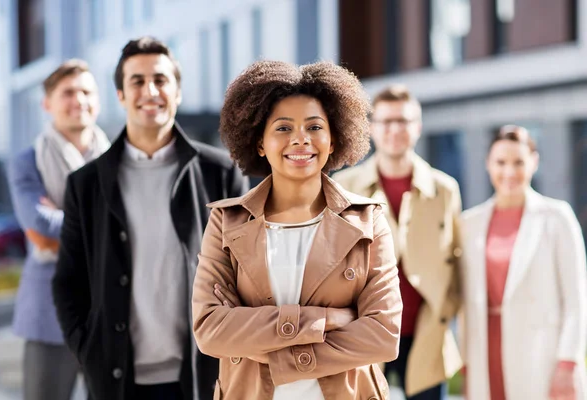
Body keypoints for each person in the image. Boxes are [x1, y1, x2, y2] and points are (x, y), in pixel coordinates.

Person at [191, 60, 403, 400]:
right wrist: (326, 319)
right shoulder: (226, 222)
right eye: (283, 128)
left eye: (315, 127)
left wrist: (261, 339)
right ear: (260, 143)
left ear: (333, 140)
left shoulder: (369, 220)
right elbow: (211, 331)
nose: (301, 139)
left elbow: (383, 335)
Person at [52, 37, 248, 400]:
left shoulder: (219, 173)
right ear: (121, 95)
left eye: (160, 79)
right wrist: (87, 349)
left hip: (204, 374)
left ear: (178, 91)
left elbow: (247, 274)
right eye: (137, 81)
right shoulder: (86, 184)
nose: (150, 90)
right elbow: (68, 280)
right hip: (116, 378)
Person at [332, 85, 463, 399]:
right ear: (372, 128)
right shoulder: (345, 186)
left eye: (403, 121)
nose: (394, 130)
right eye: (386, 121)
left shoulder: (444, 189)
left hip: (426, 333)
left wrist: (447, 308)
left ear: (417, 127)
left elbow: (457, 258)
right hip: (364, 331)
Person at [459, 126, 587, 400]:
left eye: (518, 162)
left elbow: (576, 300)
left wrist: (568, 363)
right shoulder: (469, 223)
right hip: (485, 352)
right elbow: (466, 302)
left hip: (542, 354)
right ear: (488, 165)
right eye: (501, 162)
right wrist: (466, 364)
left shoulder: (557, 217)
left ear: (534, 162)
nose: (509, 172)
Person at [7, 59, 109, 400]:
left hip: (110, 311)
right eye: (68, 92)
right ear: (47, 104)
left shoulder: (118, 161)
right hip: (48, 314)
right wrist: (104, 226)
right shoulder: (28, 161)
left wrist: (64, 221)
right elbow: (38, 226)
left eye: (86, 91)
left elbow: (136, 223)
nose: (78, 100)